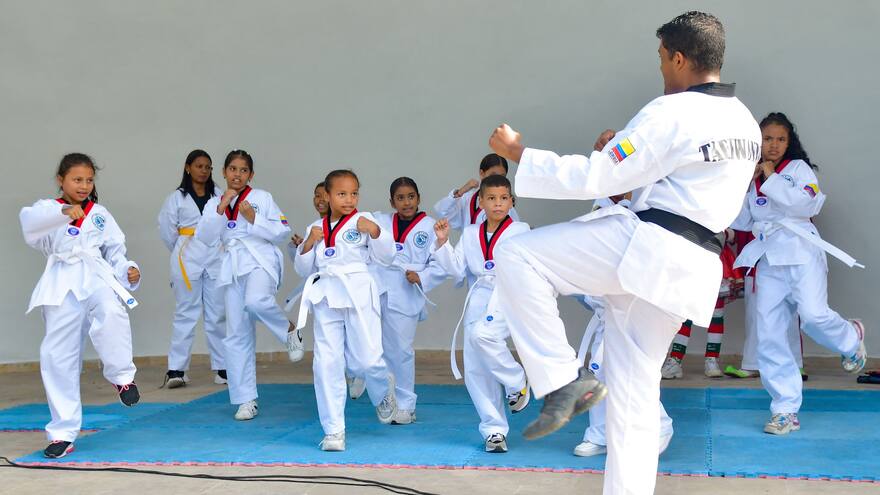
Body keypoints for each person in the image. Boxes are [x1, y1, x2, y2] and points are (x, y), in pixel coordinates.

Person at [487, 12, 762, 494]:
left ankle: (559, 381)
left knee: (518, 255)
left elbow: (601, 176)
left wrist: (521, 155)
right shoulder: (746, 124)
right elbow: (676, 176)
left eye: (661, 58)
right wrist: (624, 153)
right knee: (634, 401)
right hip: (690, 268)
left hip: (649, 245)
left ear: (679, 58)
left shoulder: (671, 111)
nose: (660, 69)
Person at [731, 112, 866, 434]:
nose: (773, 145)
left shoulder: (798, 170)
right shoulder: (751, 178)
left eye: (780, 139)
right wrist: (742, 185)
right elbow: (742, 223)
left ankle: (850, 337)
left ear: (789, 143)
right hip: (769, 262)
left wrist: (771, 177)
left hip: (802, 254)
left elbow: (805, 206)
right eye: (767, 139)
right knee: (770, 335)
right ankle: (784, 410)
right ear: (757, 141)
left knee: (814, 316)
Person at [20, 153, 141, 459]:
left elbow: (115, 250)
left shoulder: (100, 213)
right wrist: (64, 213)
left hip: (96, 275)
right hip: (62, 282)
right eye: (77, 179)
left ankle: (122, 378)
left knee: (112, 311)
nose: (84, 185)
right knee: (57, 355)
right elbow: (29, 225)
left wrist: (127, 268)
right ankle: (62, 433)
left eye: (89, 180)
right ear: (61, 180)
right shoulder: (47, 209)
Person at [294, 169, 398, 451]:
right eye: (341, 194)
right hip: (327, 295)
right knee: (326, 363)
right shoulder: (315, 227)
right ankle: (334, 430)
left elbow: (387, 256)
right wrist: (308, 244)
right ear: (326, 196)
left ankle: (381, 390)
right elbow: (302, 268)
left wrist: (376, 232)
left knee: (367, 361)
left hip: (358, 292)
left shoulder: (365, 222)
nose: (349, 199)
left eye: (354, 193)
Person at [195, 149, 299, 421]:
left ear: (251, 174)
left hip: (260, 259)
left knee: (256, 301)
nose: (237, 174)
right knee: (237, 334)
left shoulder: (262, 198)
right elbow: (205, 237)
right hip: (231, 266)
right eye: (232, 169)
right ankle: (245, 400)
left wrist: (254, 218)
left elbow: (281, 231)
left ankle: (288, 329)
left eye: (243, 170)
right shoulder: (214, 202)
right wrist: (220, 208)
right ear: (224, 172)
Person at [433, 175, 531, 453]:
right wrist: (442, 243)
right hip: (478, 294)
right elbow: (455, 268)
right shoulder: (470, 233)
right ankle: (494, 430)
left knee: (482, 335)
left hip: (507, 293)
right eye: (491, 198)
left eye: (503, 198)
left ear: (511, 201)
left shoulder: (522, 230)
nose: (498, 204)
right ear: (481, 202)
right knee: (476, 366)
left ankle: (516, 380)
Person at [371, 177, 447, 424]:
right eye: (401, 198)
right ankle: (386, 399)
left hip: (405, 291)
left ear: (419, 198)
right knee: (373, 347)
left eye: (411, 196)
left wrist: (422, 276)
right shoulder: (380, 222)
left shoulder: (429, 226)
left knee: (400, 351)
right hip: (379, 287)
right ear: (391, 201)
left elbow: (440, 262)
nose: (406, 202)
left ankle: (406, 405)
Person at [157, 149, 227, 388]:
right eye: (199, 166)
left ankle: (222, 367)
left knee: (217, 313)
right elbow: (167, 231)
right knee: (186, 311)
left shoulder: (219, 195)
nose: (204, 171)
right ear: (188, 167)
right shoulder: (176, 198)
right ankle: (177, 369)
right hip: (187, 255)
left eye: (208, 167)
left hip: (215, 254)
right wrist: (181, 248)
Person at [433, 153, 520, 231]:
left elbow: (514, 233)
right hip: (468, 247)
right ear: (482, 173)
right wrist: (461, 191)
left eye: (502, 177)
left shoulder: (506, 204)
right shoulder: (468, 198)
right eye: (492, 175)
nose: (496, 180)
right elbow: (442, 212)